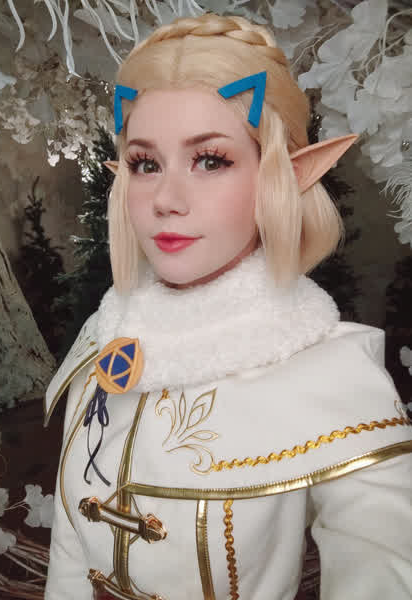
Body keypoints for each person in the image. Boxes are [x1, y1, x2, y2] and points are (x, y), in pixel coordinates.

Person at [44, 13, 412, 600]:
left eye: (210, 160)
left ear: (281, 177)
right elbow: (70, 552)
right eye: (144, 164)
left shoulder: (334, 374)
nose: (166, 199)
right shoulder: (103, 335)